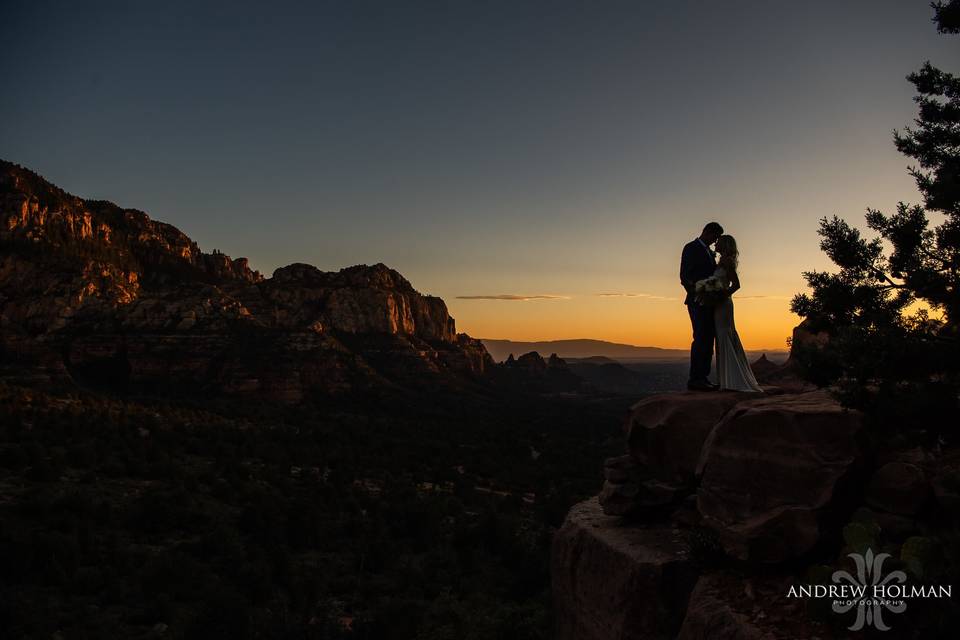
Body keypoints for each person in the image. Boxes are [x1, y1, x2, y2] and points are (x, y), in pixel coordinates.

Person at [712, 235, 763, 392]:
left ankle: (732, 380)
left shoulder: (727, 262)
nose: (716, 243)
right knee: (721, 337)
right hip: (719, 304)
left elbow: (737, 284)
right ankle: (725, 379)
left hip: (724, 304)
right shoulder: (721, 261)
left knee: (724, 335)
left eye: (719, 241)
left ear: (725, 244)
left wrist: (722, 294)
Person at [679, 222, 723, 391]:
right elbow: (684, 275)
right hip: (697, 301)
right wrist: (697, 292)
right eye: (714, 236)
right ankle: (696, 379)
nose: (715, 240)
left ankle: (703, 377)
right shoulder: (691, 248)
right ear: (706, 232)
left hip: (709, 301)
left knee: (708, 338)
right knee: (701, 338)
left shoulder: (709, 252)